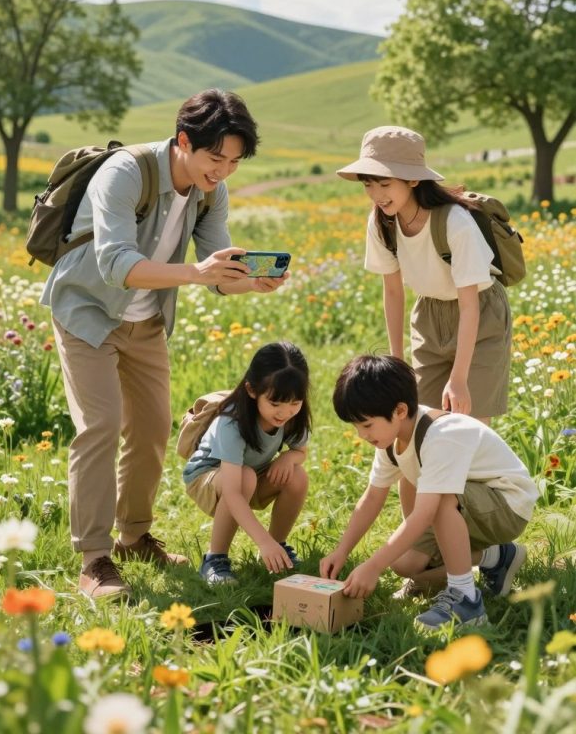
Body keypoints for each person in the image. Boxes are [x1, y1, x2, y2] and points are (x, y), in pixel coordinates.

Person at [41, 89, 288, 600]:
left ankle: (133, 537)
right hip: (86, 311)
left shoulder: (209, 191)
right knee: (101, 425)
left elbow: (216, 272)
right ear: (183, 141)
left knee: (152, 430)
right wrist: (197, 273)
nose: (222, 171)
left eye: (234, 162)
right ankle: (94, 559)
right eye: (215, 158)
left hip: (146, 319)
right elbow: (115, 263)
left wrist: (248, 280)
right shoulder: (125, 172)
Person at [320, 355, 538, 631]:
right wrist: (342, 551)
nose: (362, 435)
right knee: (403, 563)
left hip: (507, 506)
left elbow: (425, 514)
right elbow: (372, 498)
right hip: (470, 507)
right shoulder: (390, 441)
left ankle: (466, 600)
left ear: (399, 411)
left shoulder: (441, 435)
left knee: (440, 500)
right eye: (356, 427)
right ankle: (497, 557)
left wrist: (373, 567)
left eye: (366, 425)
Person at [337, 126, 512, 425]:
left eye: (385, 184)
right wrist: (396, 360)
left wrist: (458, 379)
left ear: (414, 179)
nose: (376, 195)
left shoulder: (455, 222)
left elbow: (469, 305)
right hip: (428, 316)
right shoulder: (381, 222)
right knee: (424, 427)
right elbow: (393, 292)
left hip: (480, 317)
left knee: (471, 428)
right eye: (368, 184)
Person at [184, 341, 311, 585]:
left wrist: (288, 457)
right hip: (207, 477)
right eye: (275, 404)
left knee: (297, 476)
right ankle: (215, 559)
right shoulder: (233, 421)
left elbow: (300, 452)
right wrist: (261, 541)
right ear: (252, 391)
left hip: (248, 472)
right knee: (245, 477)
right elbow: (232, 492)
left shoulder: (293, 417)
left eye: (295, 403)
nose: (284, 413)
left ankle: (278, 550)